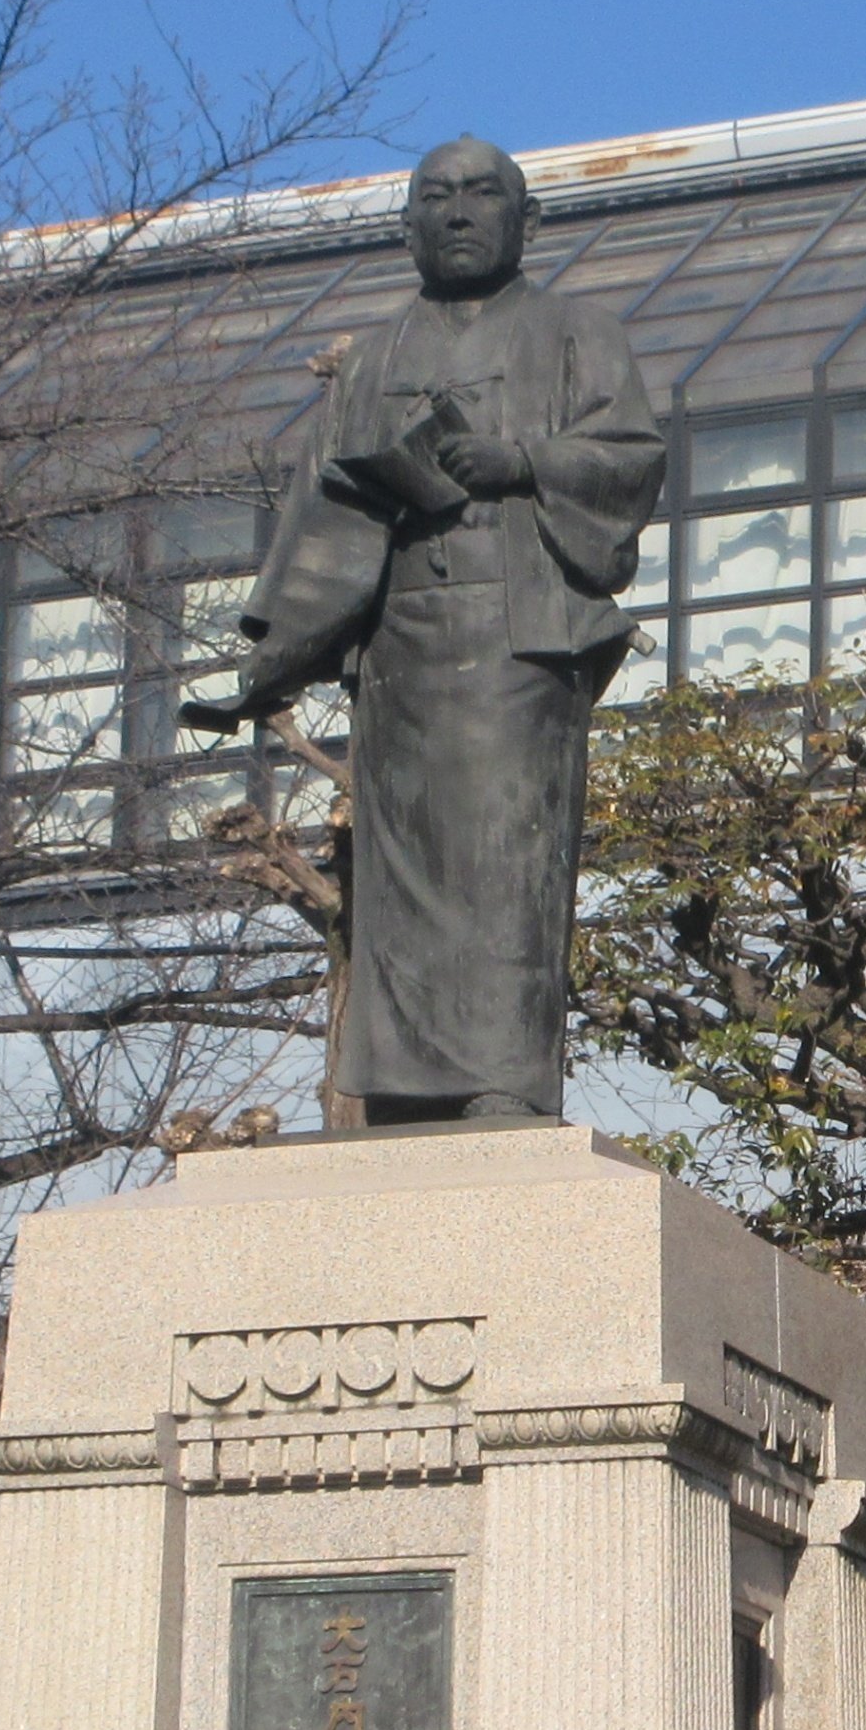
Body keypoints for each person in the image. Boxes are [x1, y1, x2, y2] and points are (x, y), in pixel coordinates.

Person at [178, 137, 664, 1124]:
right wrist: (276, 655)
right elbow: (326, 514)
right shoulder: (372, 356)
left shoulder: (580, 330)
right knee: (400, 874)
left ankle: (503, 1081)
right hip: (400, 650)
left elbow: (631, 456)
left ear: (526, 221)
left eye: (483, 194)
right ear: (404, 227)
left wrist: (519, 460)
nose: (458, 212)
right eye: (434, 197)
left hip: (517, 640)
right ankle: (401, 1088)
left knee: (505, 863)